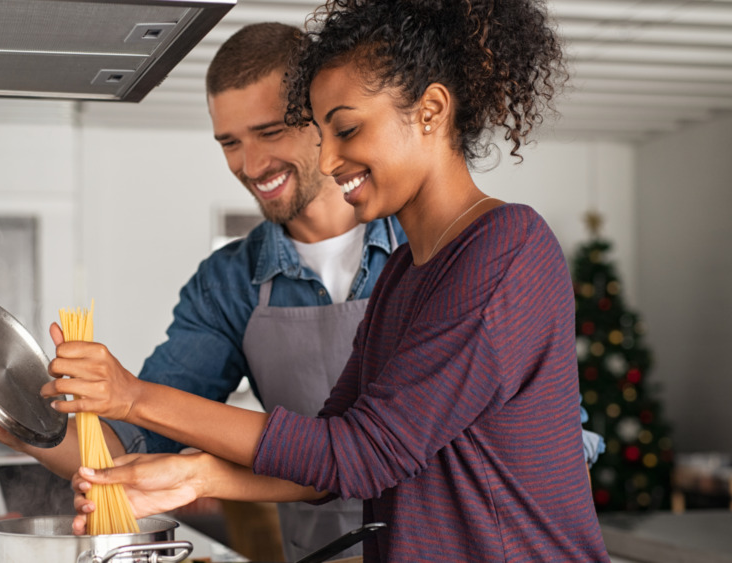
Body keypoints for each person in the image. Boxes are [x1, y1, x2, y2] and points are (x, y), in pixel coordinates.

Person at [49, 0, 611, 560]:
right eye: (322, 133)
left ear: (430, 111)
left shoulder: (506, 248)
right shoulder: (402, 277)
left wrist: (134, 396)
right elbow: (328, 461)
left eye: (345, 130)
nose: (330, 159)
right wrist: (195, 477)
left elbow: (361, 455)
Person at [0, 22, 406, 560]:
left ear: (321, 121)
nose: (251, 165)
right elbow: (129, 451)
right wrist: (18, 426)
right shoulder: (229, 282)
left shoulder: (419, 251)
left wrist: (139, 402)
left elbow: (373, 450)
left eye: (271, 131)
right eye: (230, 143)